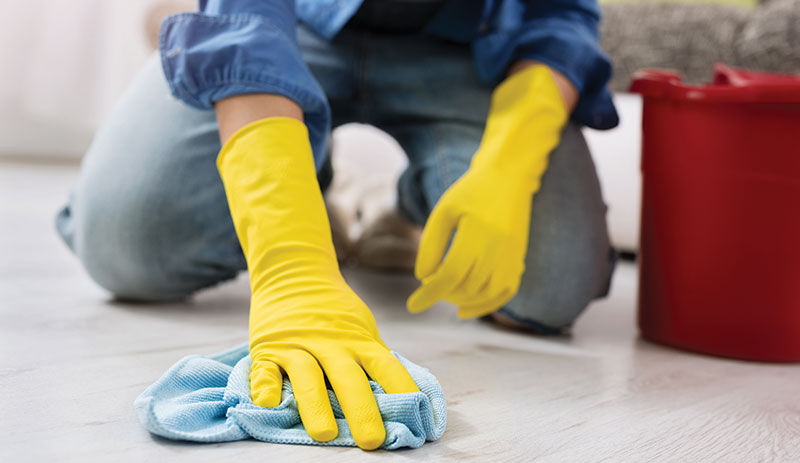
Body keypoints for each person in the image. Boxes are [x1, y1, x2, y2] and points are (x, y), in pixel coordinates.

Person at [55, 0, 618, 450]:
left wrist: (508, 169)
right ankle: (310, 188)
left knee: (549, 284)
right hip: (292, 24)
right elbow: (248, 16)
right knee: (128, 243)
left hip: (471, 48)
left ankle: (402, 214)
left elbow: (561, 17)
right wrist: (292, 262)